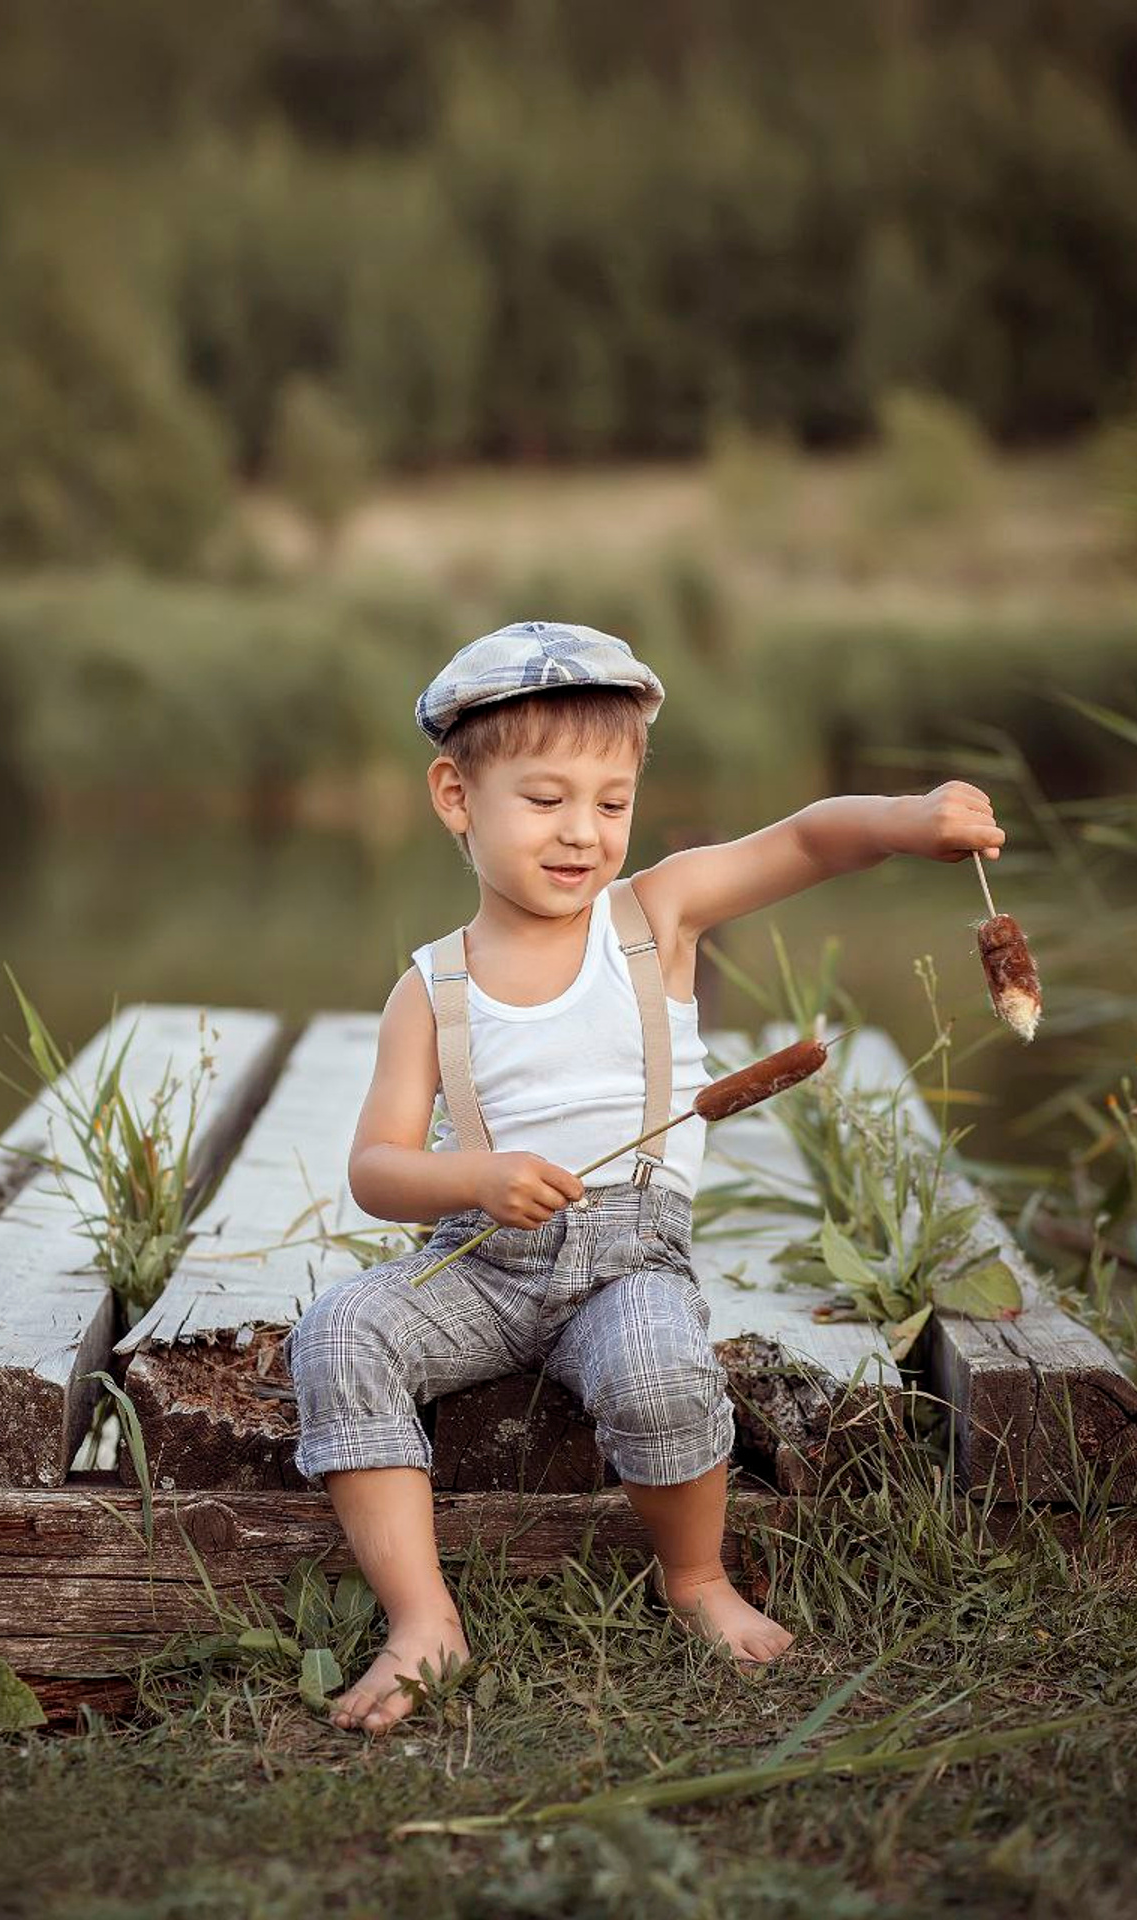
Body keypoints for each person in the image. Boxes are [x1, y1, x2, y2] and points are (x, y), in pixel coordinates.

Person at [283, 619, 1007, 1736]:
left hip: (629, 1263)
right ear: (455, 796)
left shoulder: (651, 918)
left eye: (611, 803)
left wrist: (909, 820)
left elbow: (805, 841)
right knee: (339, 1332)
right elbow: (377, 1169)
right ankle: (422, 1617)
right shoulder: (430, 988)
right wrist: (473, 1176)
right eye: (545, 800)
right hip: (483, 1267)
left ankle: (695, 1577)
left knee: (661, 1367)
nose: (583, 832)